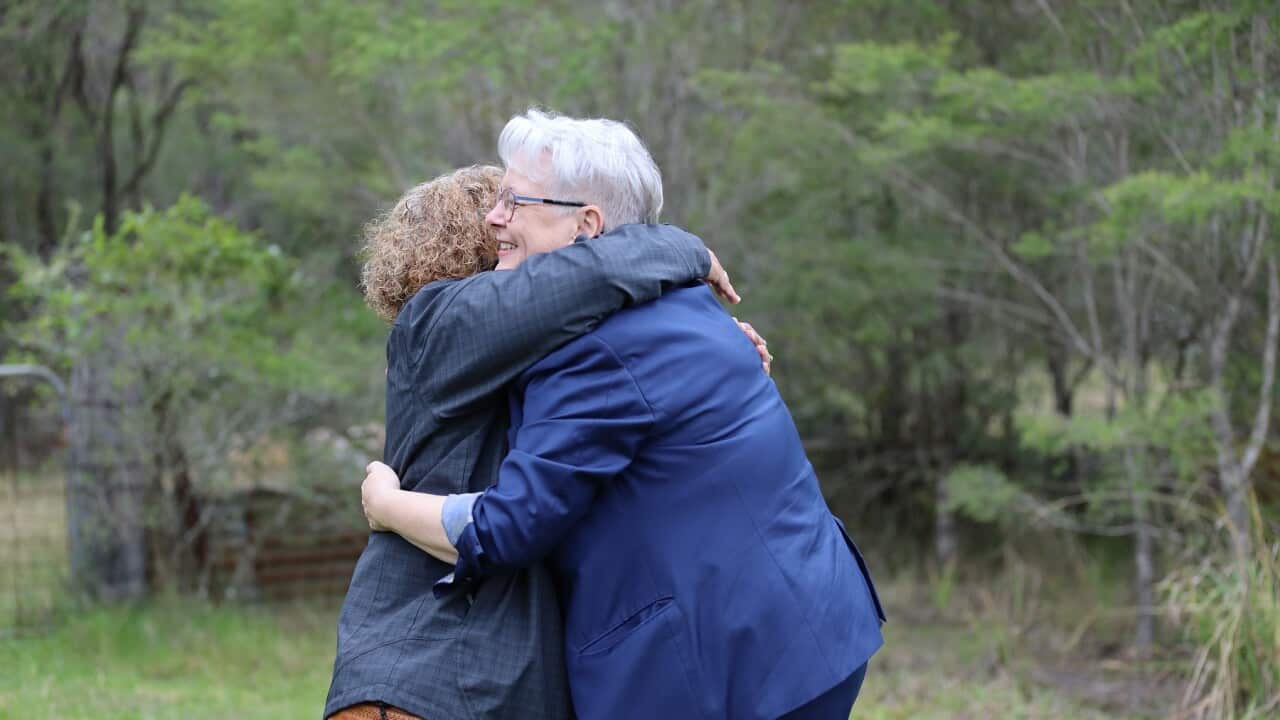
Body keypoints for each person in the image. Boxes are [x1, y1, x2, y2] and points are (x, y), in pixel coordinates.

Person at [361, 109, 886, 720]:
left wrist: (389, 506)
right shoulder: (677, 299)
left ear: (587, 225)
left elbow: (509, 526)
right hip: (814, 622)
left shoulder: (595, 351)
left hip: (735, 666)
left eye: (514, 201)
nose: (493, 218)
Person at [325, 163, 751, 719]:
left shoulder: (521, 359)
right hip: (422, 672)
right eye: (504, 209)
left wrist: (712, 345)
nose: (510, 221)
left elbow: (606, 360)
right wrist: (685, 250)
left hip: (466, 680)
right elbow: (588, 281)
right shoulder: (437, 322)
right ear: (475, 237)